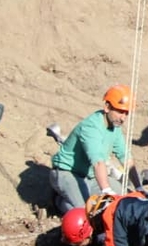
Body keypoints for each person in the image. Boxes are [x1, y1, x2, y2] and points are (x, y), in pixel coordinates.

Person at [50, 84, 135, 214]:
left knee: (123, 200)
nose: (123, 118)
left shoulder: (115, 127)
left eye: (126, 113)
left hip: (90, 177)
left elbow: (125, 157)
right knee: (85, 213)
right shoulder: (91, 128)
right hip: (68, 173)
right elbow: (98, 161)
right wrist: (106, 190)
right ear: (107, 107)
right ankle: (59, 201)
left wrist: (139, 188)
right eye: (119, 111)